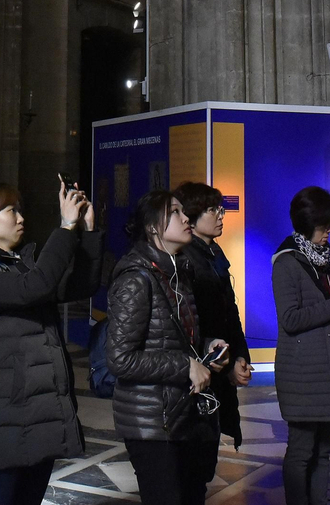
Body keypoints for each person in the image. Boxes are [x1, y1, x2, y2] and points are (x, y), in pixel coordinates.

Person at [0, 177, 103, 505]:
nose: (21, 218)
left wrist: (88, 231)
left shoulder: (23, 266)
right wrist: (65, 227)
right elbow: (36, 287)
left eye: (20, 210)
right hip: (3, 416)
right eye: (11, 211)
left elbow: (80, 285)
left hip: (41, 412)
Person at [108, 190, 230, 505]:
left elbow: (174, 339)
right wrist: (185, 366)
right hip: (152, 421)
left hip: (183, 415)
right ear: (152, 228)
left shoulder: (178, 272)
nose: (186, 217)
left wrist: (207, 348)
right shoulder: (136, 279)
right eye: (175, 212)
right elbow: (120, 359)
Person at [272, 186, 330, 505]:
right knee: (301, 451)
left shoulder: (328, 260)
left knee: (324, 452)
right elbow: (290, 319)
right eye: (326, 224)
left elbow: (329, 312)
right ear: (308, 222)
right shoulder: (286, 262)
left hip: (327, 367)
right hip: (301, 371)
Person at [174, 182, 251, 450]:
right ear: (191, 217)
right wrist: (225, 362)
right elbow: (189, 322)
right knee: (195, 453)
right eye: (212, 210)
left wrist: (240, 356)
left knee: (208, 452)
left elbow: (230, 311)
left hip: (220, 361)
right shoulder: (184, 259)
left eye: (220, 209)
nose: (220, 216)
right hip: (200, 367)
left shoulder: (214, 252)